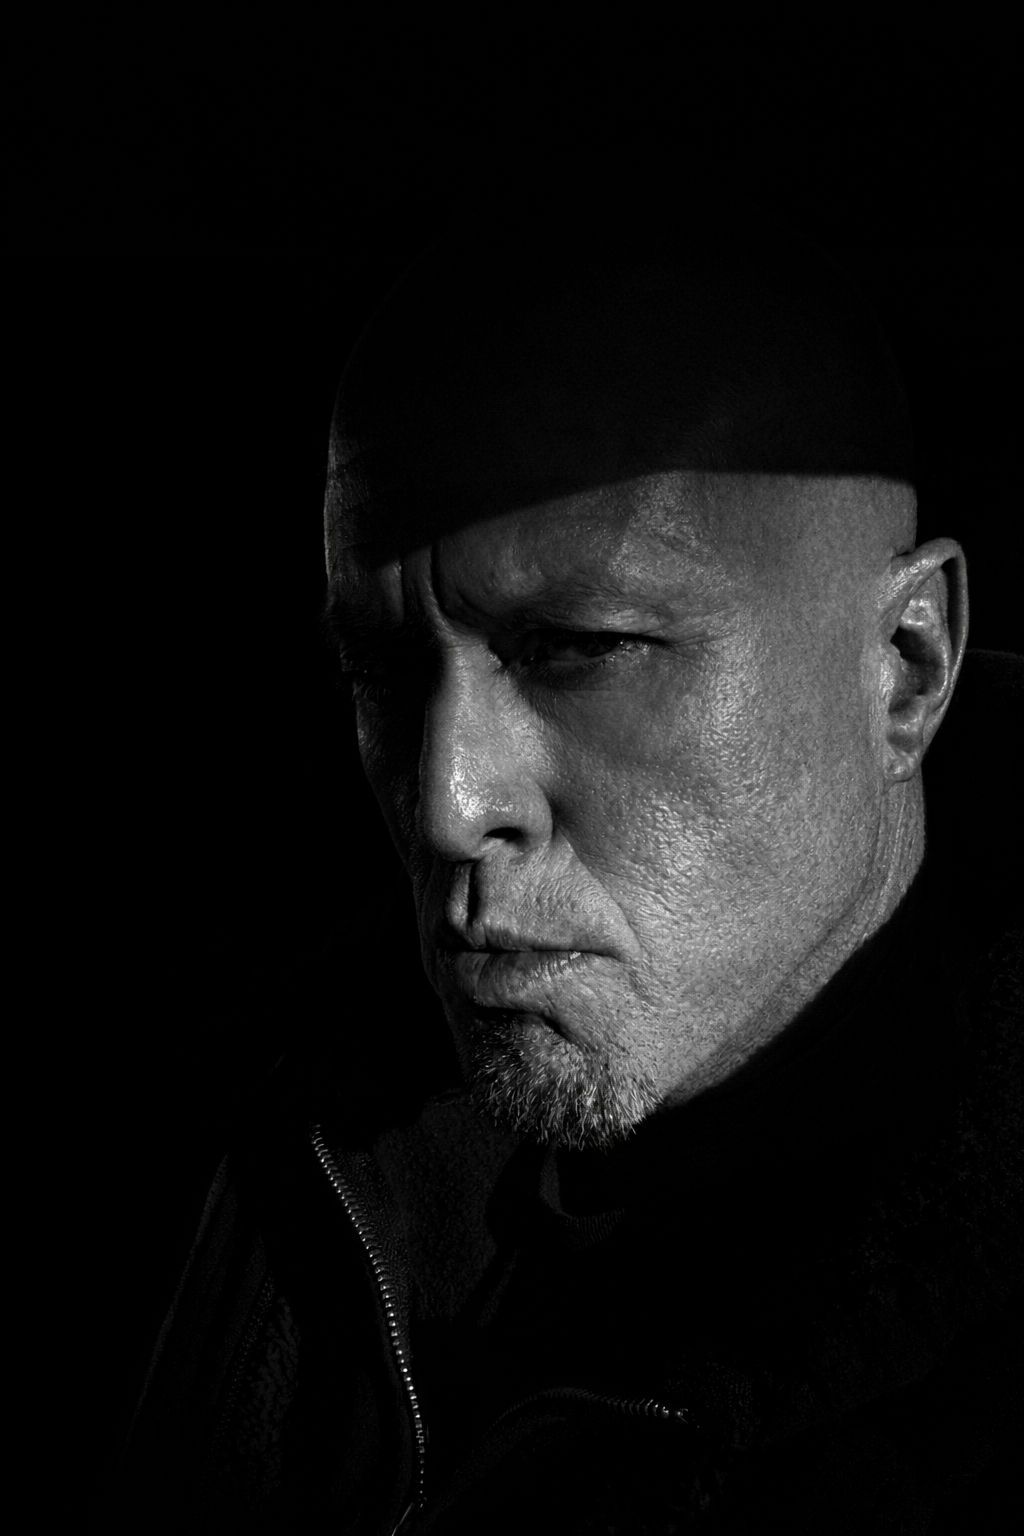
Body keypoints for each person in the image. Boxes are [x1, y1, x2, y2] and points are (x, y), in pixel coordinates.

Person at [112, 196, 1023, 1533]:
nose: (447, 805)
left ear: (906, 667)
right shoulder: (267, 1116)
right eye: (382, 669)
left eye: (575, 649)